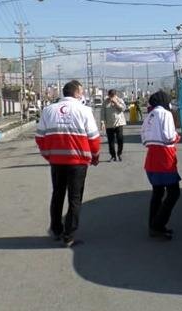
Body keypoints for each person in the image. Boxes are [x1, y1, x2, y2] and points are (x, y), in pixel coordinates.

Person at [35, 80, 100, 247]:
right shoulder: (84, 110)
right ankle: (69, 235)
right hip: (77, 162)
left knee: (57, 195)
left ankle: (56, 229)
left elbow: (40, 137)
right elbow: (93, 137)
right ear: (77, 93)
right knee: (75, 197)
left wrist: (48, 155)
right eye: (82, 91)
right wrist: (95, 156)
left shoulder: (48, 110)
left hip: (56, 161)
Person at [141, 90, 181, 240]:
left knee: (157, 193)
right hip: (164, 159)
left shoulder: (149, 115)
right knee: (174, 193)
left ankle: (153, 225)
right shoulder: (165, 114)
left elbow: (143, 138)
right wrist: (177, 137)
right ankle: (158, 225)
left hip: (151, 157)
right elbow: (170, 136)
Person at [100, 89, 126, 161]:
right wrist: (102, 123)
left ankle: (119, 154)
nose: (111, 97)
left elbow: (123, 109)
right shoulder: (105, 102)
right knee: (110, 141)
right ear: (108, 95)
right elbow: (102, 113)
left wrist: (116, 103)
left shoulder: (120, 100)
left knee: (120, 139)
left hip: (119, 123)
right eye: (110, 96)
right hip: (109, 125)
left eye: (112, 96)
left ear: (115, 95)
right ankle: (113, 155)